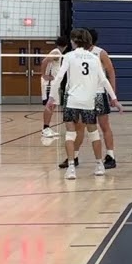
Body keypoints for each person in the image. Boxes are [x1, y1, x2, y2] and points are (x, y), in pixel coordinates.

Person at [49, 28, 118, 179]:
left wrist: (51, 98)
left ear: (74, 41)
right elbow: (104, 79)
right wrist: (114, 98)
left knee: (70, 134)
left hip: (73, 100)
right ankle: (99, 165)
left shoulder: (69, 56)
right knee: (94, 133)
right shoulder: (94, 57)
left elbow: (59, 78)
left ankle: (71, 168)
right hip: (89, 100)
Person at [88, 29, 120, 169]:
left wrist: (113, 95)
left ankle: (110, 156)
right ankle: (73, 157)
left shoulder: (100, 53)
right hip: (84, 96)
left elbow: (111, 72)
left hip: (99, 94)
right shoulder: (78, 54)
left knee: (104, 126)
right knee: (79, 127)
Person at [39, 35, 68, 140]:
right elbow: (44, 61)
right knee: (49, 105)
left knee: (53, 105)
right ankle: (45, 129)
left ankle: (47, 128)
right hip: (49, 83)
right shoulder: (56, 52)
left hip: (54, 83)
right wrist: (44, 75)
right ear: (66, 45)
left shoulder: (58, 52)